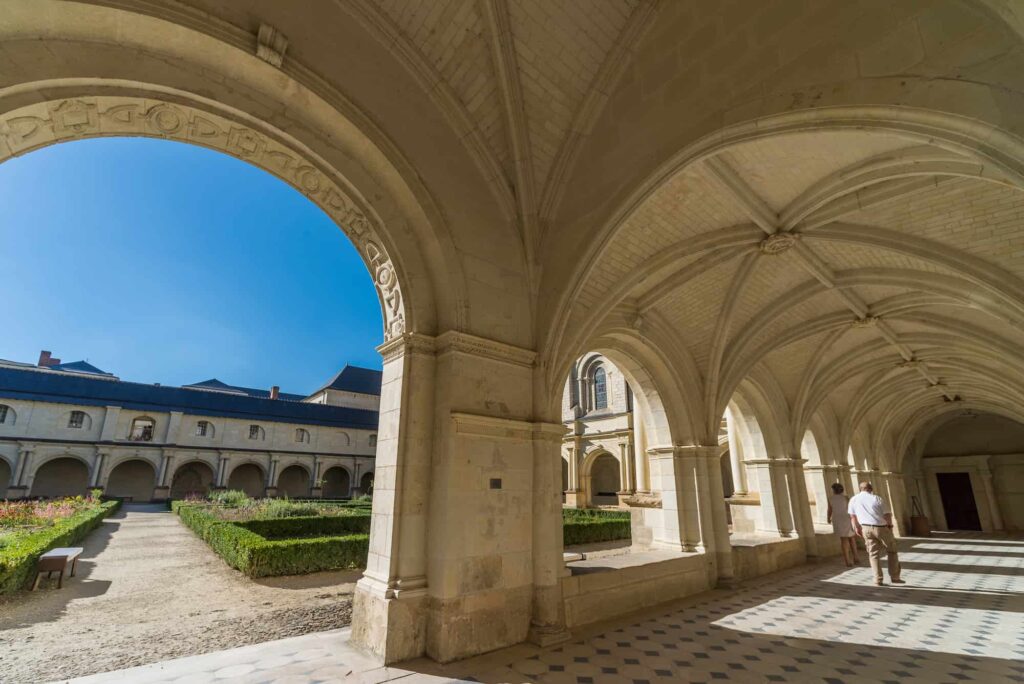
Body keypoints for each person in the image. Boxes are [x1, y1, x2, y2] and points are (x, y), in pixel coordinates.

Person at [848, 481, 904, 586]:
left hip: (865, 528)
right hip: (880, 527)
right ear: (871, 489)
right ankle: (895, 577)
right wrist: (890, 526)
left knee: (873, 554)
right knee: (892, 550)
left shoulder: (854, 499)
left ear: (860, 489)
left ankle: (878, 579)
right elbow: (887, 514)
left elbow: (852, 516)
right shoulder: (876, 498)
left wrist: (856, 528)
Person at [826, 482, 859, 567]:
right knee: (851, 538)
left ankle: (847, 560)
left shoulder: (831, 498)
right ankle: (855, 557)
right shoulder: (846, 498)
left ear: (833, 490)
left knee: (843, 539)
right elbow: (850, 509)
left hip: (837, 519)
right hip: (846, 518)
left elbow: (829, 510)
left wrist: (828, 518)